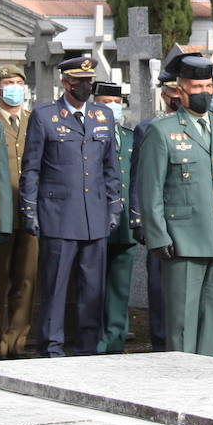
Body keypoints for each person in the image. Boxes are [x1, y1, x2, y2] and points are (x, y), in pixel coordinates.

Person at [137, 54, 213, 356]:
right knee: (183, 322)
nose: (203, 92)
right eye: (196, 86)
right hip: (183, 240)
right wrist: (158, 236)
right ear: (180, 90)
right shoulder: (162, 131)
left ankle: (212, 372)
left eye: (208, 86)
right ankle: (182, 376)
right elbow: (150, 190)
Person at [20, 55, 121, 356]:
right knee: (55, 287)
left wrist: (114, 206)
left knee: (92, 289)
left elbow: (110, 166)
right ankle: (51, 347)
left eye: (89, 82)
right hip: (59, 217)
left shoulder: (103, 115)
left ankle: (88, 347)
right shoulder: (45, 116)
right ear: (66, 83)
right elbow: (32, 168)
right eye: (80, 82)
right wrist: (29, 210)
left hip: (94, 216)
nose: (85, 87)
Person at [128, 61, 187, 351]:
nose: (179, 96)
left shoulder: (211, 125)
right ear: (164, 95)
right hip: (162, 219)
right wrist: (139, 219)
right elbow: (139, 175)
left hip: (195, 220)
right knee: (161, 286)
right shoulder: (149, 128)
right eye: (174, 91)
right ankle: (162, 343)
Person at [0, 64, 37, 359]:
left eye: (18, 82)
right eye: (9, 83)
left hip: (30, 213)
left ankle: (18, 341)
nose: (15, 88)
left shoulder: (35, 120)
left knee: (26, 279)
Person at [95, 81, 137, 352]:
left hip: (124, 225)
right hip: (96, 222)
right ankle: (96, 339)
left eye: (117, 102)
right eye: (106, 102)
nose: (113, 107)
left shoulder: (130, 137)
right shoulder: (89, 136)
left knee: (121, 286)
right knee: (94, 285)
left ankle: (116, 337)